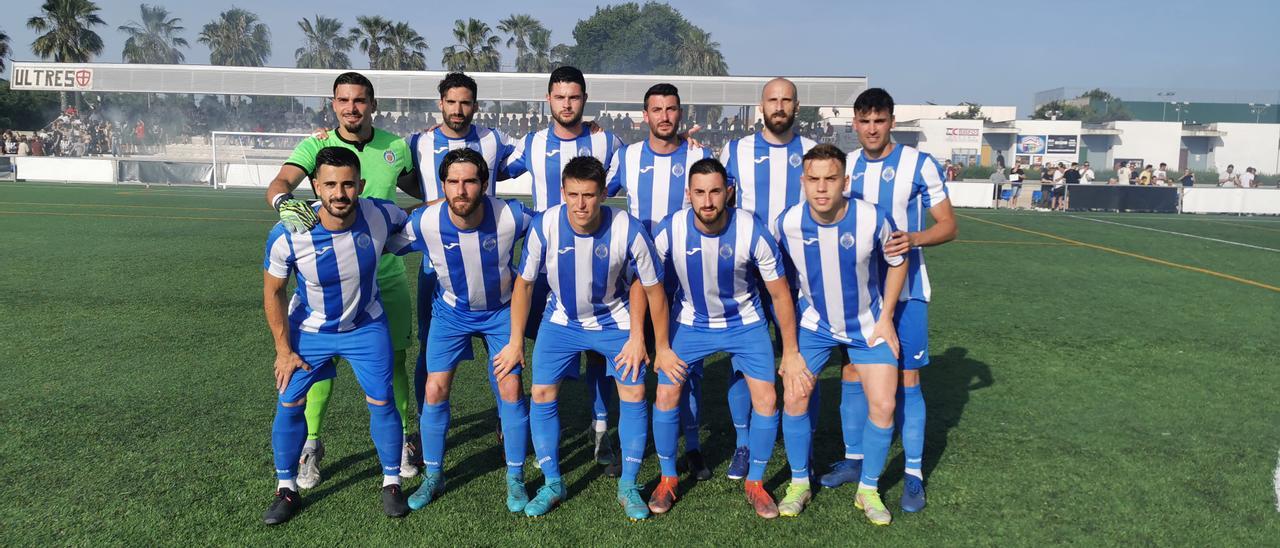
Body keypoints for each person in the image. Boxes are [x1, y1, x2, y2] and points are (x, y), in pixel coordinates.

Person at [264, 72, 424, 489]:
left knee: (395, 360)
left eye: (359, 100)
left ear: (373, 104)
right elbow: (281, 183)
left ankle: (405, 439)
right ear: (333, 104)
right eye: (343, 100)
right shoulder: (315, 145)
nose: (351, 107)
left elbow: (420, 192)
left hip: (383, 273)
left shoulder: (395, 146)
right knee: (317, 366)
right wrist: (285, 204)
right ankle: (311, 445)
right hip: (325, 276)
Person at [493, 156, 674, 521]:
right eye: (573, 194)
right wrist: (515, 341)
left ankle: (628, 485)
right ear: (562, 192)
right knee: (542, 394)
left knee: (635, 392)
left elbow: (654, 290)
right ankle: (553, 482)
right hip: (561, 322)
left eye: (589, 195)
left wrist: (654, 342)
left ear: (604, 193)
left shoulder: (629, 228)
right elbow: (524, 285)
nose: (580, 204)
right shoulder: (545, 225)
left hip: (614, 321)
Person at [820, 88, 957, 518]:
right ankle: (855, 458)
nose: (872, 128)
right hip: (860, 293)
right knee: (851, 371)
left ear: (892, 122)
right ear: (854, 124)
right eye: (864, 121)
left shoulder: (919, 164)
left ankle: (913, 473)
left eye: (879, 120)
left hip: (909, 290)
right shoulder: (847, 167)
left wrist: (914, 238)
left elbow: (949, 226)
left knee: (908, 381)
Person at [260, 146, 411, 525]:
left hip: (365, 325)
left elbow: (420, 219)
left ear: (360, 185)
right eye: (330, 185)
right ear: (315, 186)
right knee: (290, 404)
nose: (339, 194)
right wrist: (283, 350)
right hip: (309, 331)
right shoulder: (288, 233)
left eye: (347, 185)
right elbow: (273, 292)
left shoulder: (380, 212)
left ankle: (391, 481)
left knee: (382, 401)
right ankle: (286, 488)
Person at [648, 158, 798, 518]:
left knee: (766, 399)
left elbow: (780, 295)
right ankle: (668, 479)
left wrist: (790, 351)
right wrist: (660, 345)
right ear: (689, 195)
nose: (708, 201)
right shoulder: (671, 229)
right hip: (691, 324)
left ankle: (756, 483)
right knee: (666, 393)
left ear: (728, 191)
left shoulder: (751, 230)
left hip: (744, 325)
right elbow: (647, 284)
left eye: (715, 191)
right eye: (699, 192)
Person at [385, 149, 534, 513]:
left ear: (484, 184)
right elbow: (384, 241)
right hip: (451, 313)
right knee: (435, 389)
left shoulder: (511, 216)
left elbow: (552, 229)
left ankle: (515, 477)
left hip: (501, 312)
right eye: (453, 182)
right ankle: (434, 476)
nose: (461, 190)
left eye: (470, 181)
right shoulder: (426, 222)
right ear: (443, 186)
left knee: (511, 386)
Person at [773, 143, 909, 524]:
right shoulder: (787, 222)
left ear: (845, 181)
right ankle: (799, 482)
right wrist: (788, 345)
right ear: (803, 182)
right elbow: (778, 279)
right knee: (796, 398)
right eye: (813, 179)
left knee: (883, 406)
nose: (821, 188)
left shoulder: (871, 219)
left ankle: (868, 490)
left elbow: (898, 261)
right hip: (814, 326)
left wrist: (886, 319)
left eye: (830, 179)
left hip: (867, 326)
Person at [503, 66, 628, 475]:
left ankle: (600, 428)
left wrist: (687, 141)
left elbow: (634, 171)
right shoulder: (531, 143)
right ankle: (517, 426)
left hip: (596, 257)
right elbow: (489, 167)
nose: (567, 104)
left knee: (597, 351)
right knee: (533, 345)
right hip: (544, 261)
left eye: (574, 97)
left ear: (584, 100)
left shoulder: (607, 141)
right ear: (549, 100)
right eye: (560, 97)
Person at [402, 73, 518, 434]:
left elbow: (536, 152)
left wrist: (588, 127)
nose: (458, 109)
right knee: (429, 347)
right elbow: (400, 175)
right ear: (440, 103)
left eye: (465, 102)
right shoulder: (417, 142)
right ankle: (426, 421)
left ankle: (505, 419)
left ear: (475, 105)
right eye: (451, 102)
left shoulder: (492, 139)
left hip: (489, 256)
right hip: (437, 265)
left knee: (499, 349)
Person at [608, 83, 713, 480]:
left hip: (686, 278)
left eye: (671, 109)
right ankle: (629, 442)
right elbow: (600, 192)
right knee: (632, 361)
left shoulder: (700, 155)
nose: (664, 116)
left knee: (687, 368)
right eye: (657, 109)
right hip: (634, 280)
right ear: (645, 114)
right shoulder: (629, 155)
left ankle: (693, 446)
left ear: (680, 113)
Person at [717, 77, 816, 479]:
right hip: (751, 273)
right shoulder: (736, 149)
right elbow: (720, 198)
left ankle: (801, 444)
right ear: (762, 106)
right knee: (744, 362)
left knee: (804, 361)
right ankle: (743, 444)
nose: (779, 106)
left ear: (796, 106)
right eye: (772, 100)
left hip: (803, 274)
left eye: (786, 100)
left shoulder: (811, 151)